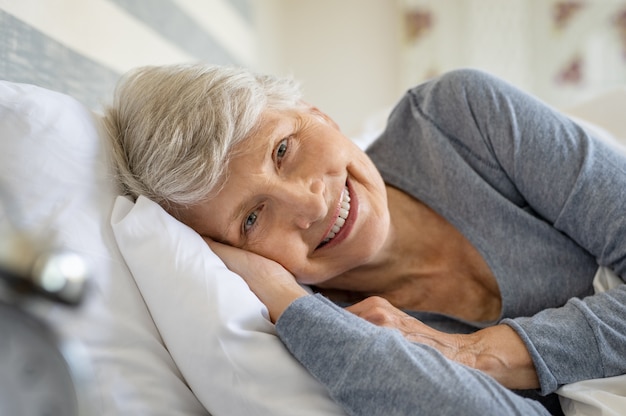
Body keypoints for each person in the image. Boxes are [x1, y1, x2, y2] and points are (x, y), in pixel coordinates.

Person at [103, 64, 626, 416]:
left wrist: (476, 354)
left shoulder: (459, 118)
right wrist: (288, 302)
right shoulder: (330, 331)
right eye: (252, 220)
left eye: (282, 150)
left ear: (316, 114)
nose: (311, 205)